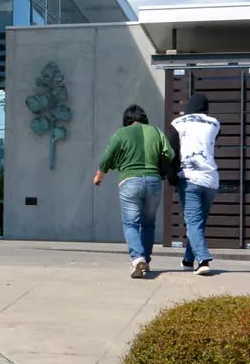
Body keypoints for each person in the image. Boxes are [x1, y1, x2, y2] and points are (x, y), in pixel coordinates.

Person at [93, 104, 173, 279]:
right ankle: (146, 260)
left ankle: (137, 259)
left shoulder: (122, 133)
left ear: (126, 120)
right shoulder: (156, 131)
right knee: (149, 223)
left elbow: (108, 155)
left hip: (130, 181)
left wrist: (100, 174)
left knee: (131, 223)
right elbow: (170, 154)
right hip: (153, 181)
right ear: (143, 118)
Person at [168, 94, 221, 276]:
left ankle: (203, 260)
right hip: (211, 179)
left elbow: (172, 151)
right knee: (198, 223)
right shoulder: (214, 123)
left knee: (192, 222)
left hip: (189, 178)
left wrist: (171, 176)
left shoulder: (178, 123)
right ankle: (188, 260)